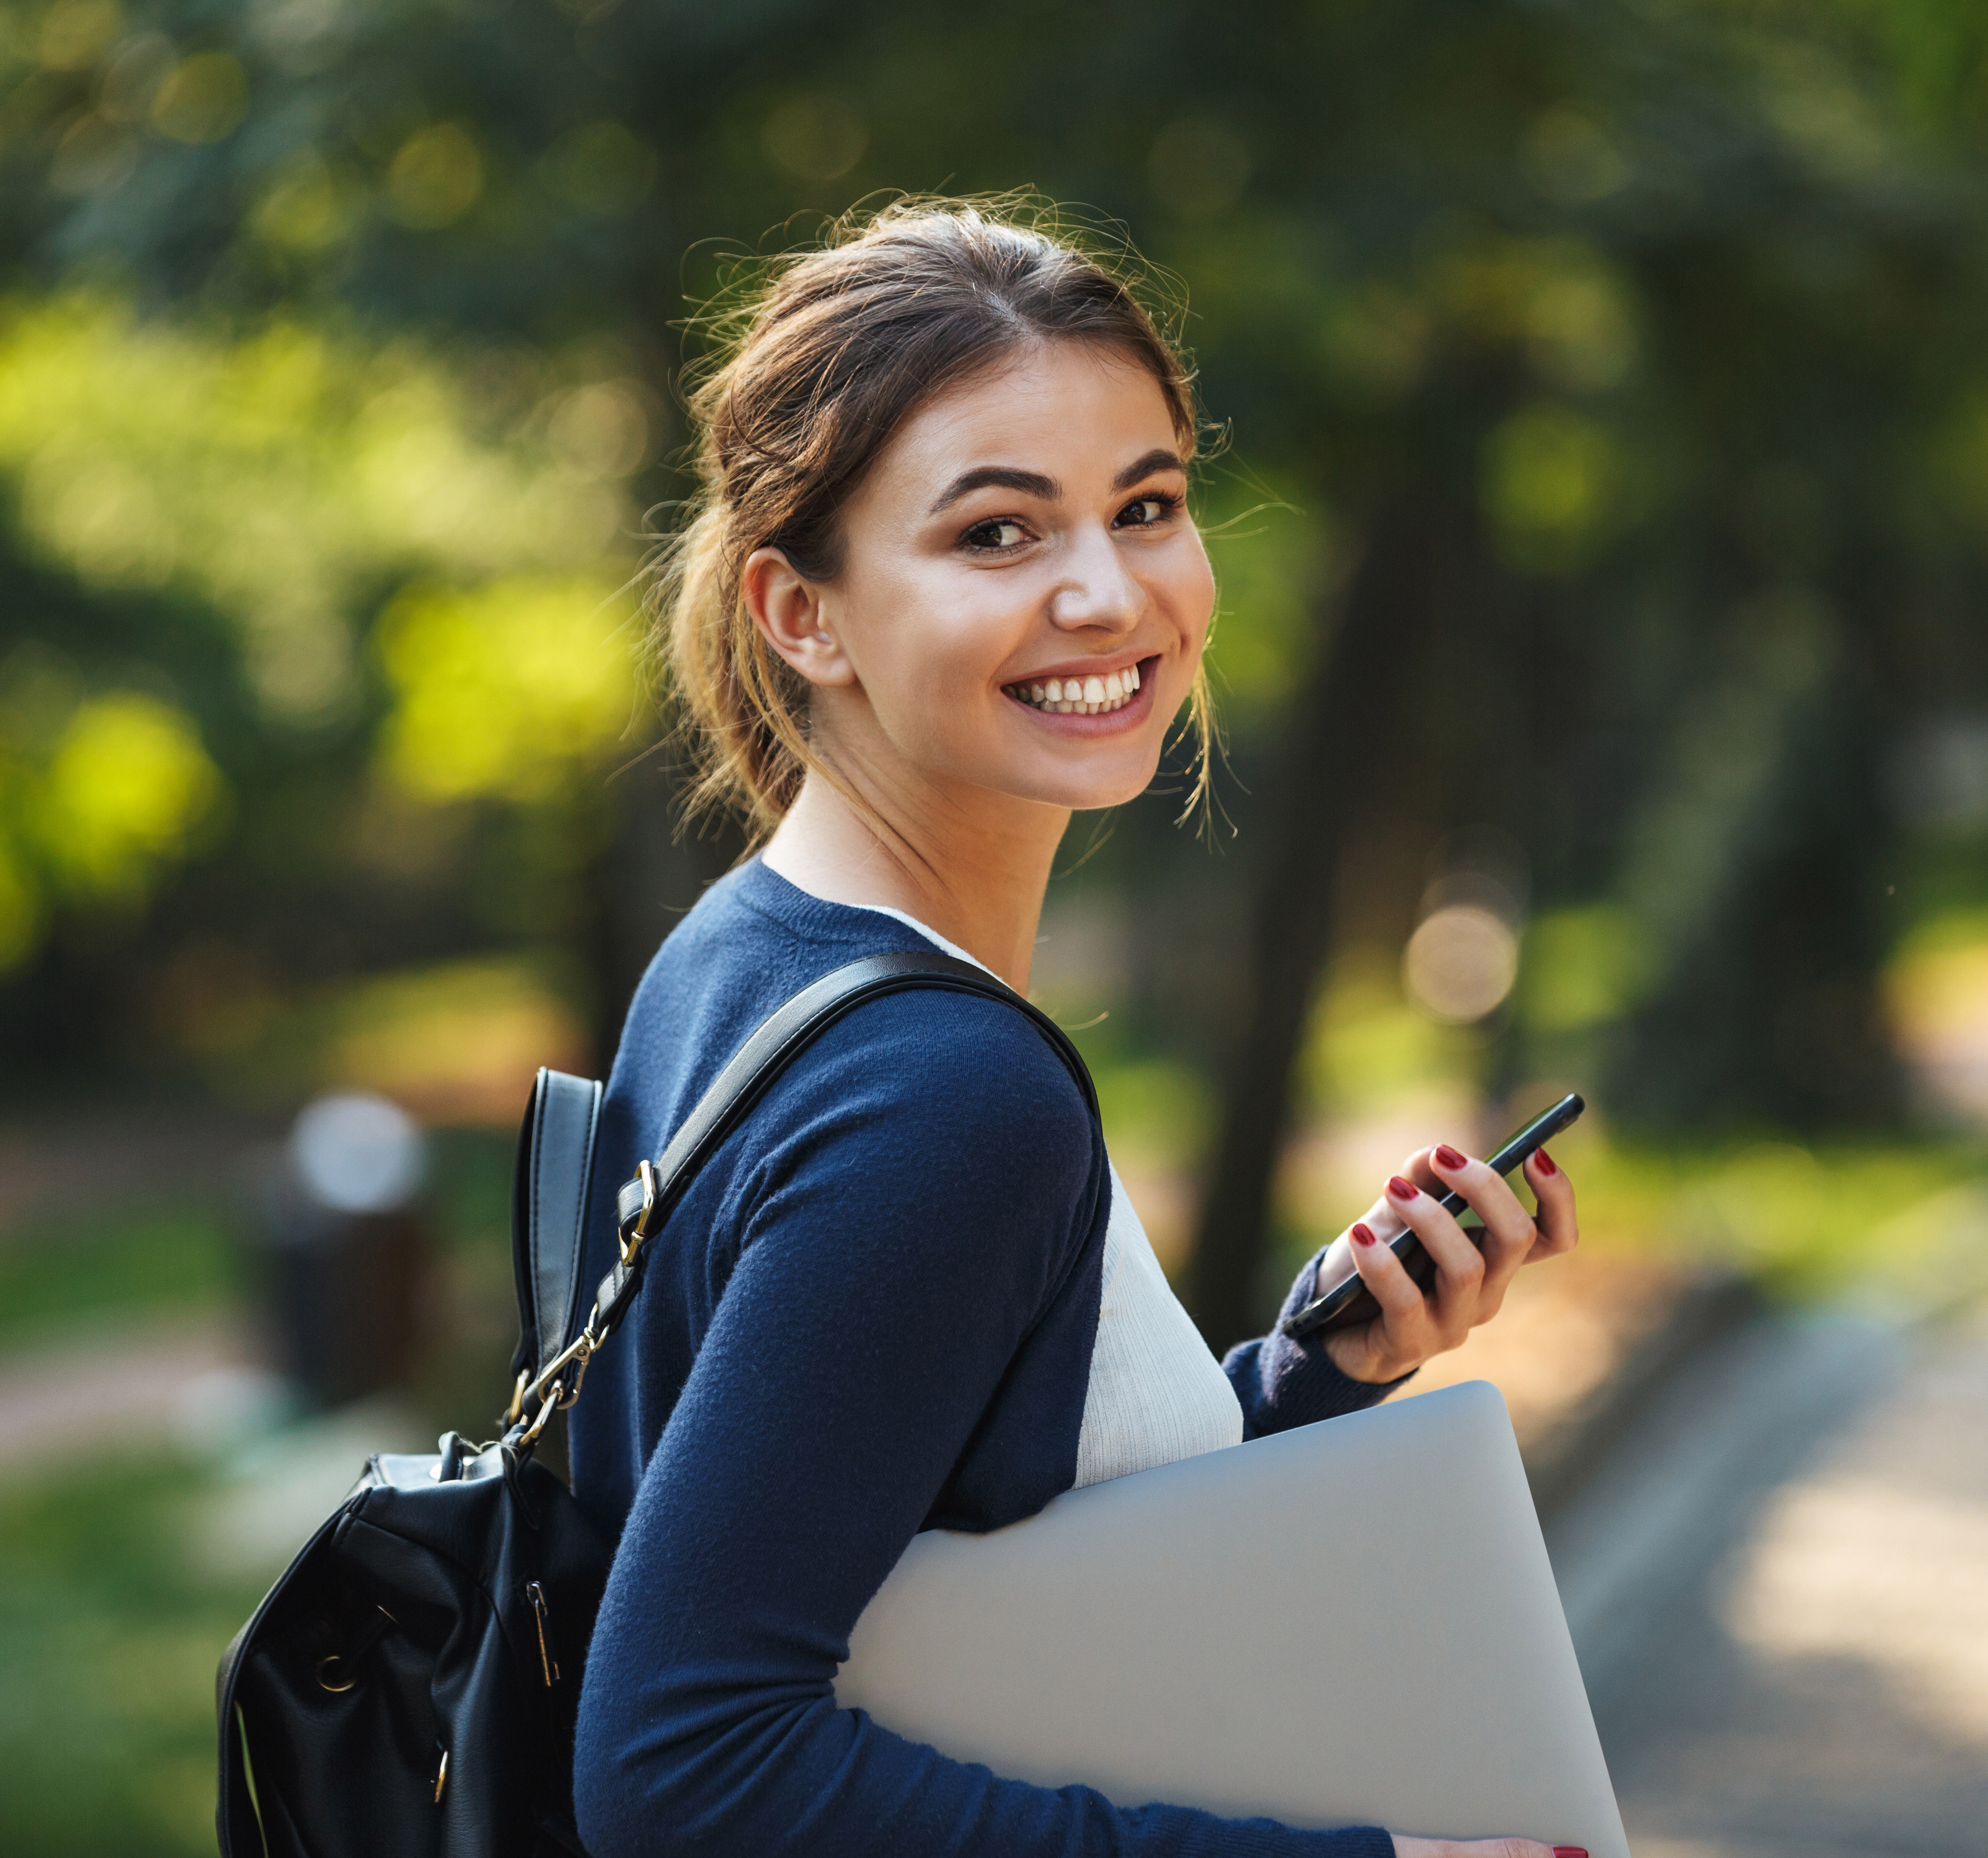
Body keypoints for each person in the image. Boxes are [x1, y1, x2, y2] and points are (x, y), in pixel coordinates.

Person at [563, 200, 1586, 1858]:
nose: (1109, 593)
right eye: (997, 534)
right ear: (799, 612)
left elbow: (950, 1546)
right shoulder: (947, 1096)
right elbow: (683, 1770)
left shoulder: (742, 952)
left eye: (1149, 507)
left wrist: (1318, 1372)